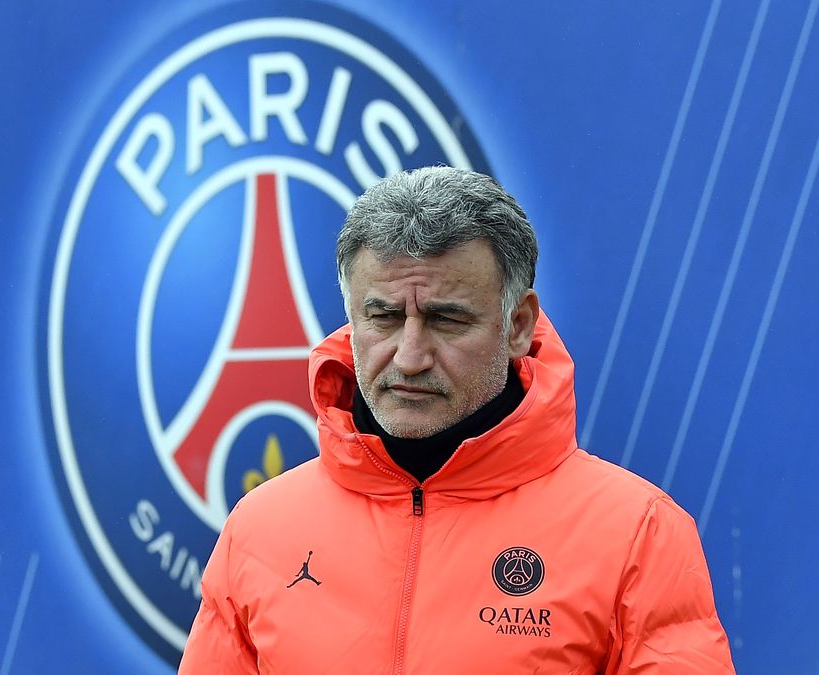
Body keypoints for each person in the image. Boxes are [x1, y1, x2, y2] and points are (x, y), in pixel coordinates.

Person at [178, 167, 734, 673]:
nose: (410, 355)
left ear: (518, 325)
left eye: (446, 319)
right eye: (384, 318)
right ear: (351, 319)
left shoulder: (640, 533)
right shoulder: (259, 529)